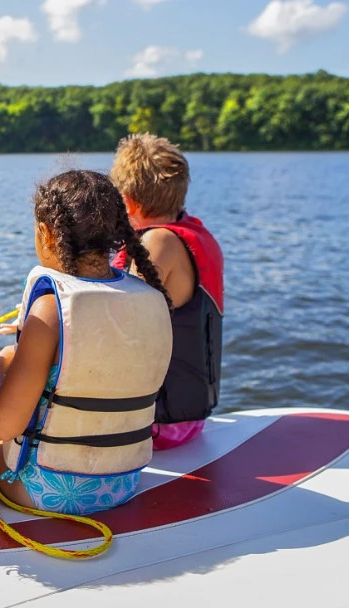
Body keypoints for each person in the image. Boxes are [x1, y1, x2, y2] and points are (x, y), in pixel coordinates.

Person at [0, 170, 172, 516]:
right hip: (123, 483)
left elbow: (6, 426)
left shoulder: (51, 309)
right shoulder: (150, 297)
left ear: (46, 234)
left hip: (44, 491)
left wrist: (1, 362)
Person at [109, 133, 224, 450]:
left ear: (128, 202)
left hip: (157, 423)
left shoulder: (157, 243)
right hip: (187, 419)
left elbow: (118, 323)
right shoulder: (196, 235)